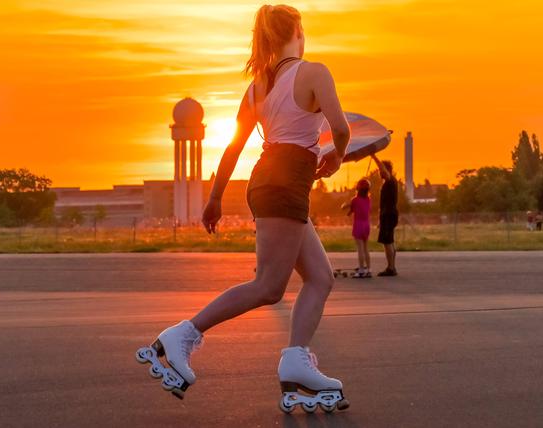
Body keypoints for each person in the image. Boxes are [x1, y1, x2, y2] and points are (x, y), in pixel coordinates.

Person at [134, 4, 351, 413]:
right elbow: (341, 128)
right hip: (286, 183)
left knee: (320, 277)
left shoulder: (257, 86)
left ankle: (296, 362)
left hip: (269, 180)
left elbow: (233, 147)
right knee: (269, 286)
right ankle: (182, 335)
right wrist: (337, 157)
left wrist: (215, 198)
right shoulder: (314, 72)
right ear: (298, 32)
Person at [371, 153, 399, 276]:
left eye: (380, 170)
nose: (379, 172)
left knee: (387, 242)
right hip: (387, 215)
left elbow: (383, 170)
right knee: (390, 241)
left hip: (388, 215)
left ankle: (391, 268)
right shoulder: (390, 182)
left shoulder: (390, 180)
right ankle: (392, 267)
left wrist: (373, 156)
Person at [345, 179, 372, 278]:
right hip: (366, 225)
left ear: (358, 188)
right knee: (366, 248)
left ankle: (361, 270)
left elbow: (350, 210)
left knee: (360, 249)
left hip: (358, 225)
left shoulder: (355, 200)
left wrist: (345, 207)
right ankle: (368, 269)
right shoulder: (369, 199)